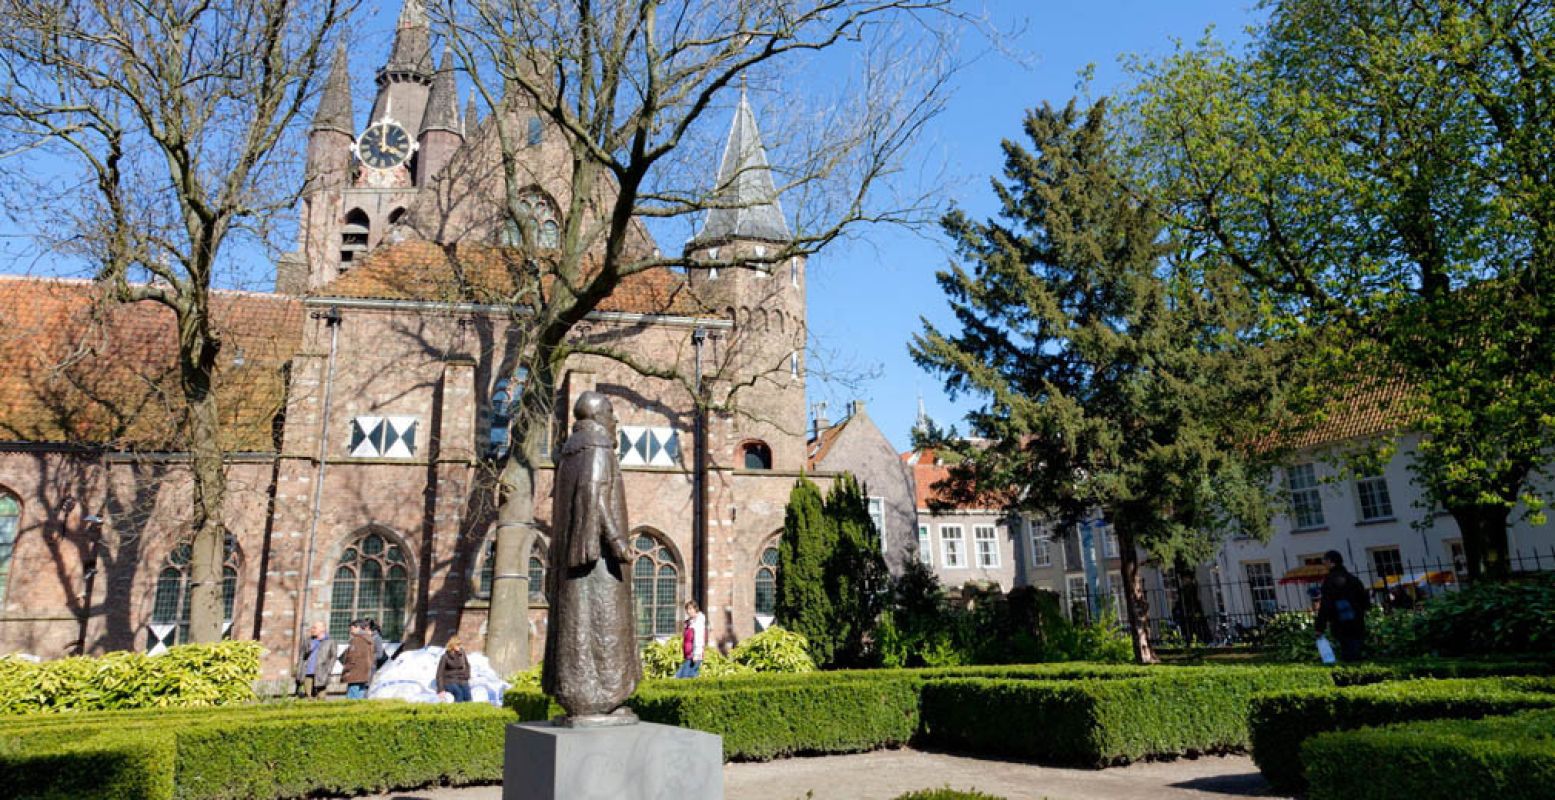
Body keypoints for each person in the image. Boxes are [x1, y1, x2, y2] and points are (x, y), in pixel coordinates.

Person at [540, 391, 642, 721]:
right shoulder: (598, 446)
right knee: (605, 623)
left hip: (572, 566)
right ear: (597, 417)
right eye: (611, 413)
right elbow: (592, 492)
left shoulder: (569, 453)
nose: (615, 420)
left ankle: (578, 699)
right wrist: (616, 540)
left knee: (575, 624)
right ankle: (601, 699)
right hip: (598, 563)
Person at [1315, 550, 1371, 662]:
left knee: (1347, 652)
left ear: (1331, 561)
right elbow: (1365, 601)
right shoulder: (1353, 579)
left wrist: (1320, 627)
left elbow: (1326, 604)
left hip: (1340, 621)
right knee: (1356, 650)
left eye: (1325, 561)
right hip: (1357, 620)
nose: (1324, 564)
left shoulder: (1329, 581)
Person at [295, 621, 338, 699]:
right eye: (312, 627)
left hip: (321, 673)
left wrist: (328, 670)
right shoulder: (308, 640)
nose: (312, 629)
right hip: (308, 673)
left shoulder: (330, 641)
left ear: (322, 629)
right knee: (308, 698)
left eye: (315, 628)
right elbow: (302, 656)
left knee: (321, 697)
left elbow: (333, 657)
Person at [340, 620, 376, 699]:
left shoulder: (357, 640)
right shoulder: (368, 639)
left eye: (351, 628)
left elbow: (351, 658)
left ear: (358, 627)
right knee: (360, 698)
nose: (350, 630)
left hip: (355, 674)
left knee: (352, 700)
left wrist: (346, 670)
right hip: (364, 673)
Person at [676, 600, 706, 678]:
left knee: (683, 677)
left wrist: (697, 654)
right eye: (687, 609)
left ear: (695, 609)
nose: (688, 611)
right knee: (687, 677)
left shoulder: (698, 623)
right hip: (688, 655)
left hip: (694, 656)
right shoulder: (690, 623)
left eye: (690, 609)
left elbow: (699, 639)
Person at [437, 637, 473, 702]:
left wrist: (467, 675)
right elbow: (439, 674)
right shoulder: (445, 657)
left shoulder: (462, 653)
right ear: (452, 645)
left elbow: (467, 665)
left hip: (461, 679)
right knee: (459, 693)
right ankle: (457, 711)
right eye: (458, 644)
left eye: (460, 644)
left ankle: (468, 711)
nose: (459, 646)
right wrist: (441, 689)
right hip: (449, 681)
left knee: (467, 696)